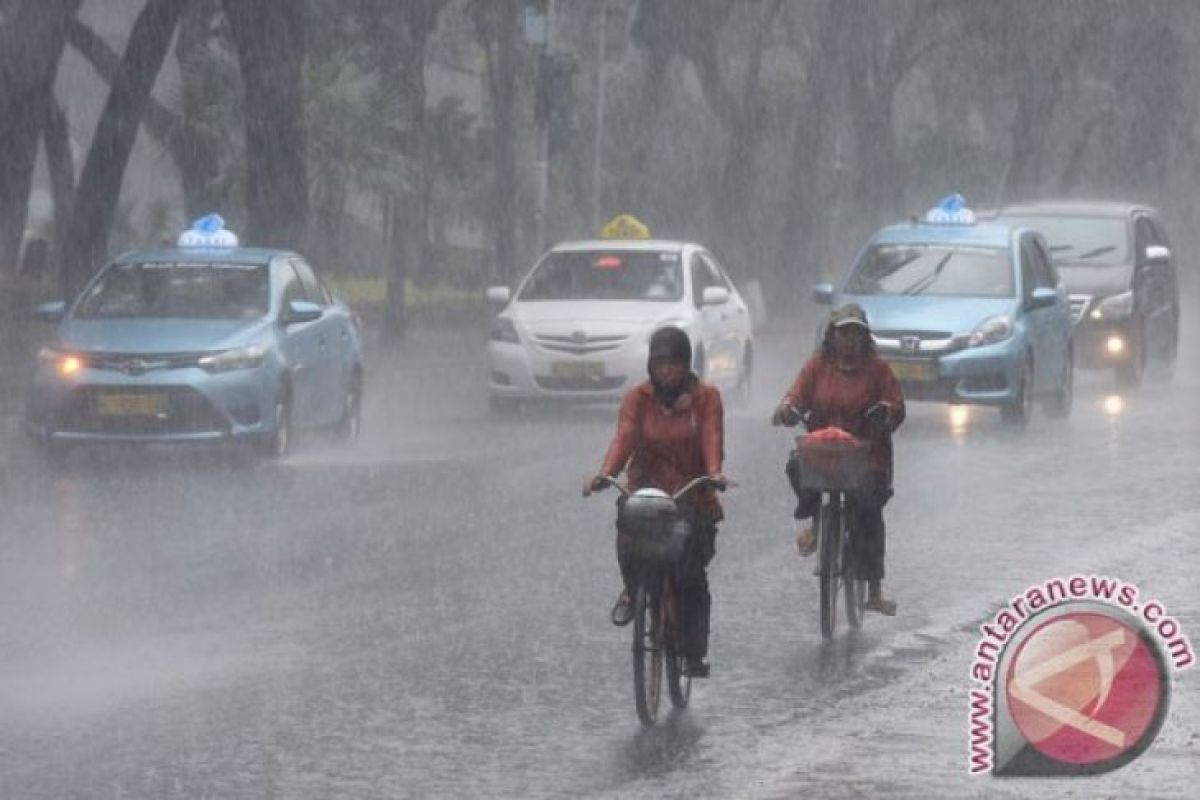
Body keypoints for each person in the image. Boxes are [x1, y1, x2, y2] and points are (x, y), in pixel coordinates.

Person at [583, 326, 727, 677]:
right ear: (651, 365)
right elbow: (624, 439)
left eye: (674, 364)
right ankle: (634, 592)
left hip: (691, 496)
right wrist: (605, 474)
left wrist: (713, 472)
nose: (667, 371)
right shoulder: (638, 399)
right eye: (661, 364)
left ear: (686, 365)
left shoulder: (707, 398)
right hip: (645, 493)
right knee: (628, 537)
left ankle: (693, 653)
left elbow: (711, 437)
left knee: (691, 575)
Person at [770, 303, 905, 615]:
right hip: (823, 453)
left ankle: (873, 589)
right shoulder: (816, 367)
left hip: (867, 458)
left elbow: (896, 405)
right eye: (844, 332)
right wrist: (787, 409)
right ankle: (818, 525)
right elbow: (795, 396)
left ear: (864, 337)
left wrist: (886, 412)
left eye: (856, 333)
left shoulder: (879, 370)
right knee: (795, 466)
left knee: (869, 513)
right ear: (832, 336)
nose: (849, 340)